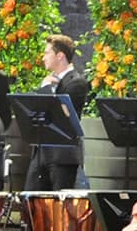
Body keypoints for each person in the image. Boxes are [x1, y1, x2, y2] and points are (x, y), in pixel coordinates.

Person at [25, 33, 91, 191]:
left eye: (47, 53)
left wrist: (46, 89)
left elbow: (61, 114)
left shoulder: (77, 83)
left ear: (60, 56)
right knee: (30, 201)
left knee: (57, 206)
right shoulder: (48, 81)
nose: (43, 57)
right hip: (41, 153)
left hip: (62, 156)